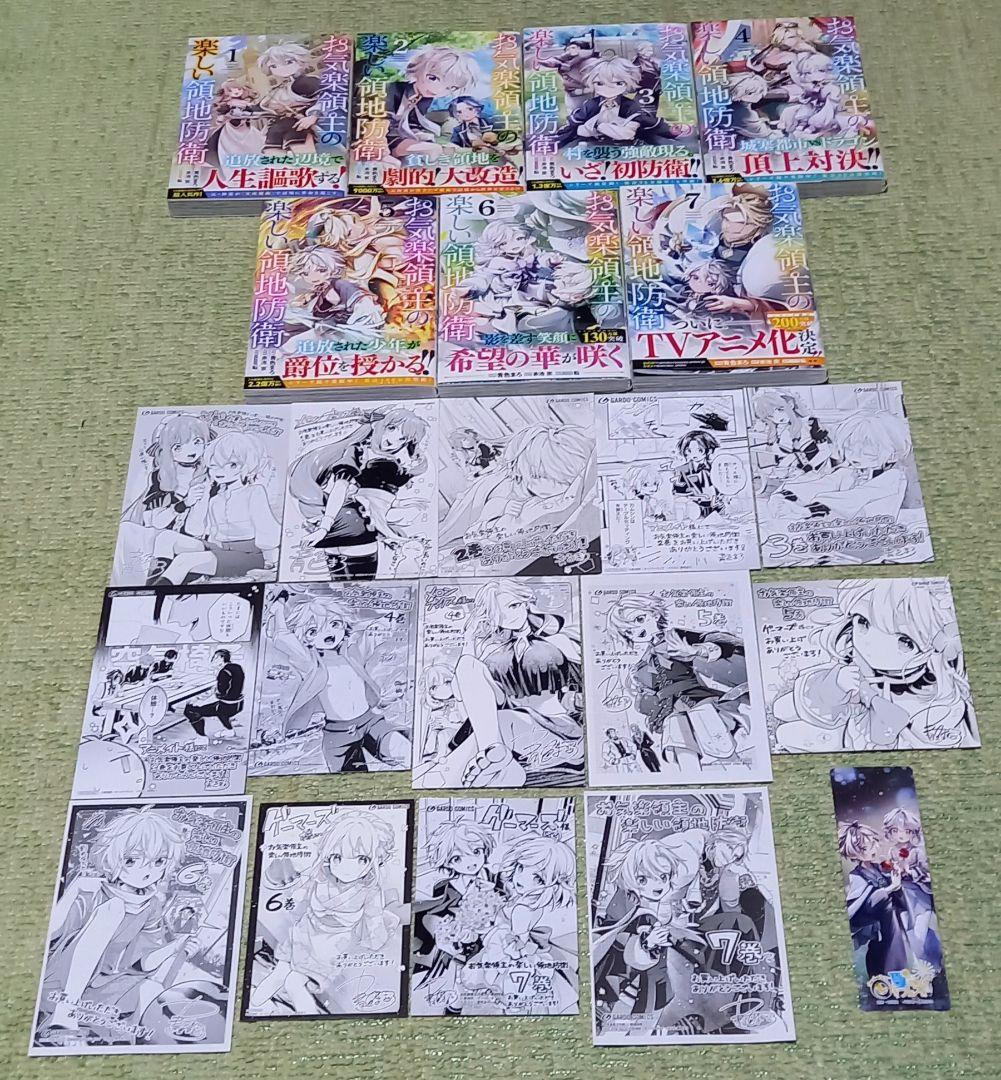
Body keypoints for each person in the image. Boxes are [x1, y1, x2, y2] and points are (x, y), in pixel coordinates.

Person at [772, 579, 976, 752]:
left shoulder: (935, 694)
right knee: (781, 709)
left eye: (905, 642)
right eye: (863, 622)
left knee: (786, 734)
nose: (873, 644)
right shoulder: (855, 659)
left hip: (860, 739)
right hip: (848, 716)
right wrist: (839, 684)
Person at [40, 808, 193, 1036]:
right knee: (113, 909)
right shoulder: (93, 892)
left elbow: (142, 964)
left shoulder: (150, 905)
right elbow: (50, 935)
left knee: (153, 990)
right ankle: (65, 1012)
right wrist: (73, 891)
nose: (146, 871)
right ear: (112, 858)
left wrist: (174, 947)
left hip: (106, 987)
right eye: (131, 860)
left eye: (159, 861)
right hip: (60, 986)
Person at [419, 581, 583, 788]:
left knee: (502, 722)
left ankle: (493, 761)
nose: (509, 616)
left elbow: (585, 682)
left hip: (555, 726)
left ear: (526, 604)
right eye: (500, 611)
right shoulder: (491, 652)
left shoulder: (557, 640)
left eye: (514, 605)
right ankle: (496, 757)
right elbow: (461, 694)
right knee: (468, 665)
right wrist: (469, 641)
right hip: (507, 727)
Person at [250, 810, 400, 1014]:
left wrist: (376, 938)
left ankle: (307, 1021)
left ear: (374, 860)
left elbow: (373, 923)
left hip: (330, 945)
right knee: (279, 972)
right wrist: (295, 899)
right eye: (337, 857)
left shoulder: (369, 891)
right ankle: (255, 1007)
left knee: (294, 983)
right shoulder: (321, 875)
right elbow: (302, 894)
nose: (347, 867)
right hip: (304, 933)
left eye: (362, 859)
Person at [267, 590, 410, 771]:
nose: (328, 632)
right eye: (313, 631)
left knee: (403, 750)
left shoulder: (352, 654)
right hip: (338, 734)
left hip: (371, 722)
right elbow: (282, 637)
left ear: (344, 624)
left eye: (334, 624)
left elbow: (372, 636)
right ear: (305, 638)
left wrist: (393, 616)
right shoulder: (310, 664)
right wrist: (279, 609)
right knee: (351, 781)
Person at [608, 593, 749, 772]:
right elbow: (648, 693)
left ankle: (740, 772)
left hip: (699, 699)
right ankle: (693, 780)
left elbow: (717, 645)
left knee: (715, 737)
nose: (636, 629)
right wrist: (638, 685)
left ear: (655, 614)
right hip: (671, 709)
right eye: (628, 631)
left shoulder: (675, 636)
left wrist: (696, 651)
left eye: (639, 619)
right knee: (679, 740)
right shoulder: (644, 661)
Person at [288, 409, 428, 579]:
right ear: (379, 425)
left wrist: (402, 503)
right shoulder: (359, 452)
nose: (393, 440)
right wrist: (324, 527)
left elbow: (378, 497)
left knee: (344, 588)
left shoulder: (383, 459)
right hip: (356, 525)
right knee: (360, 587)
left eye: (402, 438)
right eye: (391, 429)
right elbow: (340, 487)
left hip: (348, 525)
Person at [145, 431, 281, 585]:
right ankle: (149, 588)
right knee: (165, 538)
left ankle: (156, 592)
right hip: (219, 549)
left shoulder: (254, 492)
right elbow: (194, 530)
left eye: (232, 465)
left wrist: (272, 563)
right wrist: (202, 499)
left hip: (249, 555)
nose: (220, 471)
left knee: (184, 561)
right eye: (215, 466)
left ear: (247, 465)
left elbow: (269, 534)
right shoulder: (215, 499)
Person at [412, 821, 499, 1014]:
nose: (471, 862)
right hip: (455, 944)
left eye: (476, 852)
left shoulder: (492, 879)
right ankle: (452, 1009)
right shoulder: (444, 887)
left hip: (486, 942)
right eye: (458, 858)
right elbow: (431, 915)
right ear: (447, 862)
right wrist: (444, 934)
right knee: (454, 981)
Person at [555, 55, 681, 148]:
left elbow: (644, 121)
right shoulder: (591, 104)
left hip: (622, 141)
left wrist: (669, 130)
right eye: (599, 83)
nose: (609, 88)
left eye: (618, 83)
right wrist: (561, 134)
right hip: (593, 142)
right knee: (582, 130)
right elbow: (576, 120)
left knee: (626, 131)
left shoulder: (629, 105)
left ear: (627, 84)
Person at [837, 821, 909, 980]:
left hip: (888, 922)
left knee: (892, 948)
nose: (872, 849)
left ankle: (897, 980)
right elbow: (866, 900)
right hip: (872, 921)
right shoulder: (856, 875)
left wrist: (896, 881)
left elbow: (895, 893)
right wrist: (890, 888)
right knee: (882, 956)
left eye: (873, 843)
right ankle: (889, 979)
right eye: (864, 848)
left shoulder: (880, 867)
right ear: (853, 854)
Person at [383, 45, 481, 161]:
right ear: (417, 68)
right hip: (382, 139)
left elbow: (413, 123)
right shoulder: (391, 90)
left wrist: (420, 135)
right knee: (433, 150)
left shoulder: (425, 98)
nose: (438, 90)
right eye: (433, 78)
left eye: (451, 88)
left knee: (448, 150)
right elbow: (381, 124)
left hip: (398, 138)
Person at [184, 649, 245, 743]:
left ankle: (202, 738)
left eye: (215, 658)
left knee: (190, 710)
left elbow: (220, 693)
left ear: (221, 658)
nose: (213, 660)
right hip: (238, 704)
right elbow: (230, 687)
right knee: (218, 709)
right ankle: (229, 731)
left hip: (226, 706)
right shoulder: (237, 667)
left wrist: (200, 701)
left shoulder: (224, 672)